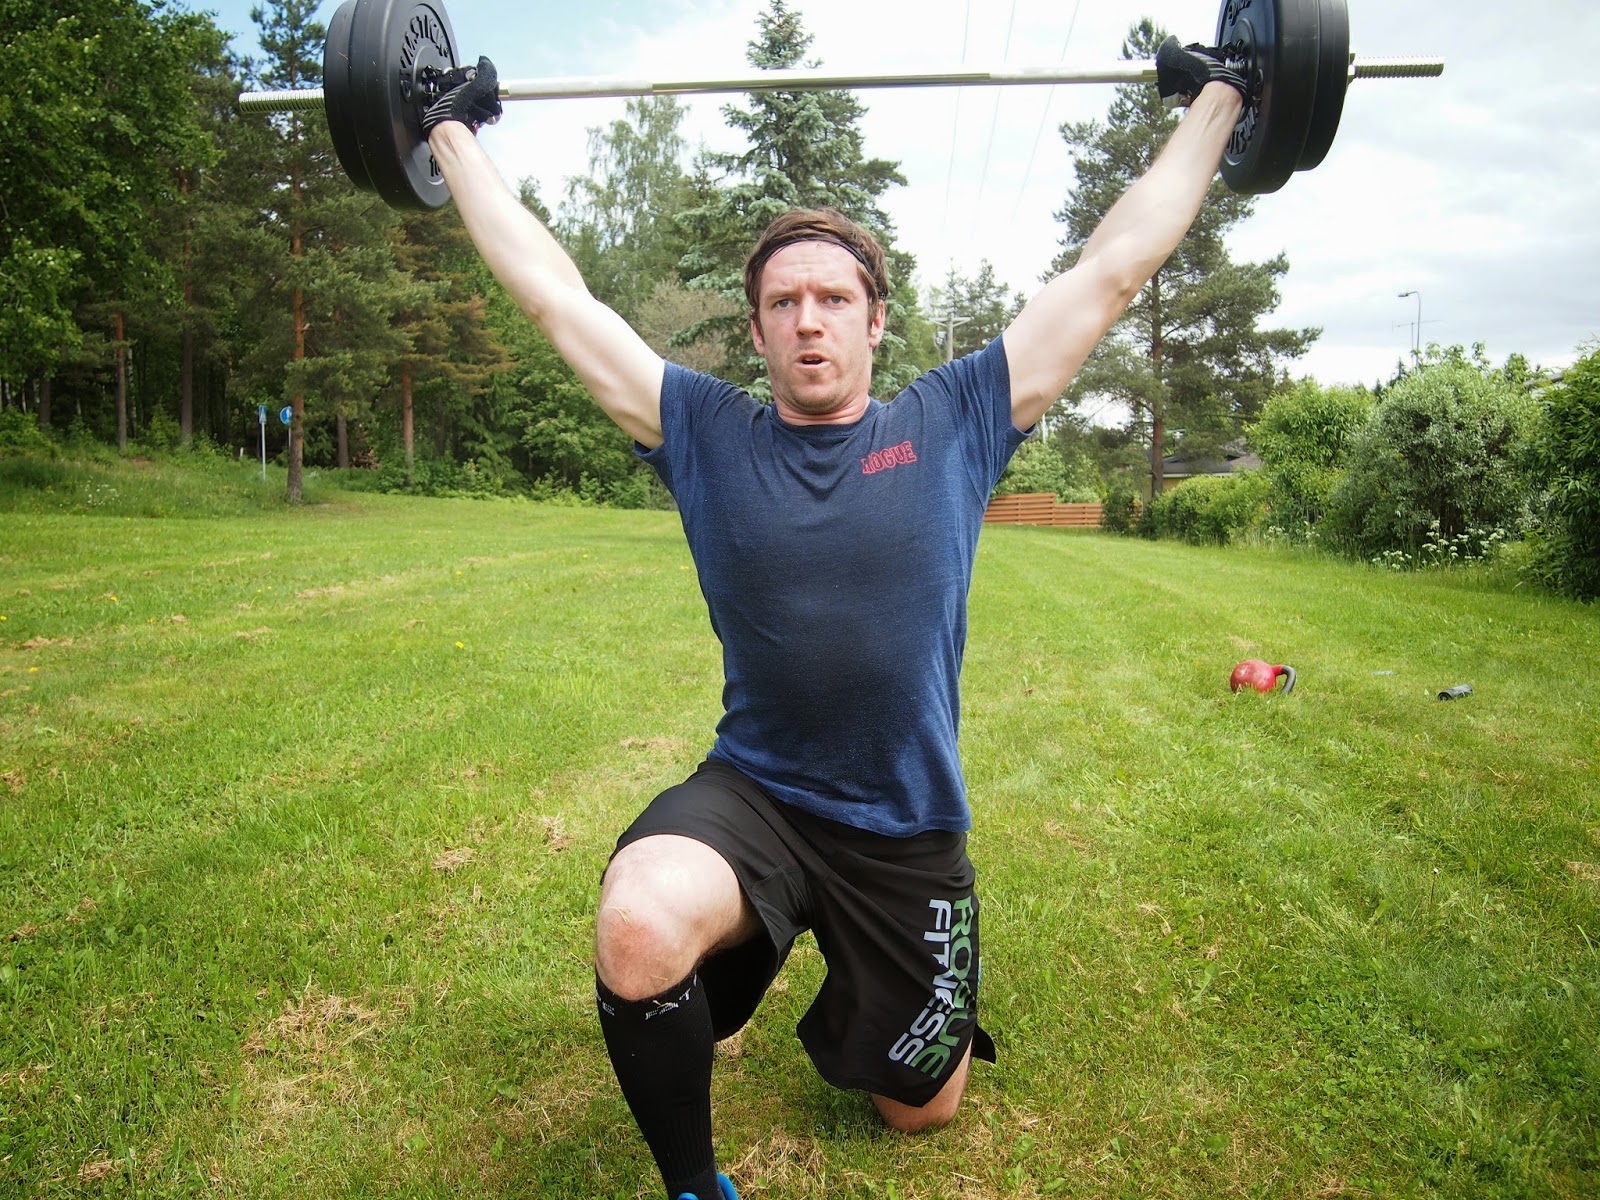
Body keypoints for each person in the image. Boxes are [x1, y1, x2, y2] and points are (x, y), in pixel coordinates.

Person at [419, 35, 1247, 1200]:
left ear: (874, 321)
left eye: (833, 300)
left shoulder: (956, 420)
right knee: (639, 927)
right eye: (783, 302)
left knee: (918, 1112)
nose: (809, 320)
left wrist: (1223, 98)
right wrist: (448, 131)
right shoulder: (705, 434)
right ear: (757, 331)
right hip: (757, 794)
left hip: (903, 826)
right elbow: (558, 299)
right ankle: (695, 1182)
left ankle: (865, 978)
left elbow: (1111, 267)